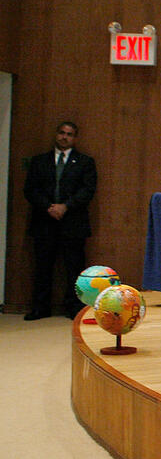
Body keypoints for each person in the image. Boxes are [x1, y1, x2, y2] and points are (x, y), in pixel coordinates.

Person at [23, 121, 97, 319]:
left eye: (69, 134)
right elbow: (30, 190)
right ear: (56, 134)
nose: (65, 137)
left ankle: (73, 307)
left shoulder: (85, 162)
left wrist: (66, 206)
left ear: (75, 138)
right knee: (42, 267)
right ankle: (40, 307)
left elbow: (87, 190)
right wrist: (49, 207)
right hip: (44, 221)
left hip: (73, 222)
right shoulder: (39, 161)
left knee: (73, 268)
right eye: (62, 133)